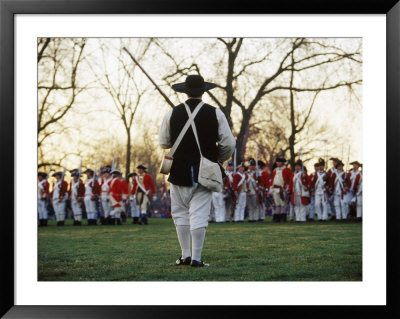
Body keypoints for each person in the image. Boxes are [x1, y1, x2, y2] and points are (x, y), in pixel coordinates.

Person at [159, 74, 235, 267]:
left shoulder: (172, 113)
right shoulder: (215, 113)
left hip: (179, 171)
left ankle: (185, 256)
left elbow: (164, 142)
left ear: (185, 91)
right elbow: (228, 144)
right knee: (199, 214)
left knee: (180, 213)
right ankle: (196, 258)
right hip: (205, 171)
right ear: (203, 91)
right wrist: (216, 158)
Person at [270, 157, 293, 222]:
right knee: (277, 203)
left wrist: (287, 187)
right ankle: (277, 216)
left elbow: (290, 179)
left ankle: (283, 216)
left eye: (279, 162)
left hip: (282, 188)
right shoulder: (275, 170)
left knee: (283, 203)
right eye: (277, 162)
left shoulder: (287, 170)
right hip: (275, 188)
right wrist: (271, 187)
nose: (277, 163)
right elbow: (273, 179)